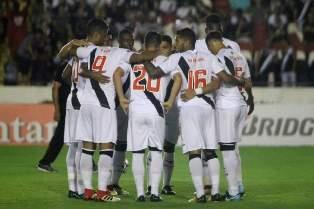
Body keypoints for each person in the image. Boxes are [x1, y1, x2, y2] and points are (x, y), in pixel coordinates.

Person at [60, 18, 158, 202]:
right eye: (106, 33)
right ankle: (103, 192)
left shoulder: (86, 50)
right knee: (106, 148)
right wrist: (159, 51)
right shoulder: (119, 52)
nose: (108, 36)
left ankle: (87, 190)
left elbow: (65, 57)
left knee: (87, 149)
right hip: (104, 105)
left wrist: (74, 44)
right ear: (103, 35)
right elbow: (140, 57)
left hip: (85, 105)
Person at [185, 31, 253, 201]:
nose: (210, 50)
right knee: (234, 148)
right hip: (241, 104)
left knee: (227, 150)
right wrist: (251, 99)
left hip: (227, 105)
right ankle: (238, 185)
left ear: (212, 44)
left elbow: (224, 80)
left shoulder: (219, 57)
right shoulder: (240, 55)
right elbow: (248, 82)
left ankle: (233, 191)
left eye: (209, 47)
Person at [114, 32, 182, 202]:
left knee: (137, 153)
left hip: (135, 109)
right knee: (156, 152)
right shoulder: (166, 61)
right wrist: (170, 100)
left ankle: (140, 193)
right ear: (159, 45)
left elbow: (116, 74)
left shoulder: (133, 59)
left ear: (144, 44)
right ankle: (155, 193)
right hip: (156, 111)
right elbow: (179, 79)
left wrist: (122, 97)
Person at [146, 35, 178, 195]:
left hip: (173, 110)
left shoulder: (175, 64)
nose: (162, 51)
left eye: (166, 47)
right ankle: (151, 185)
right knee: (154, 148)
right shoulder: (153, 64)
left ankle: (166, 184)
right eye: (161, 47)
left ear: (171, 48)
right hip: (156, 109)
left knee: (169, 148)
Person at [107, 29, 135, 196]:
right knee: (109, 144)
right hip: (115, 104)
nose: (129, 43)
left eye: (131, 40)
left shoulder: (134, 56)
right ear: (119, 41)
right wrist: (120, 97)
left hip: (128, 107)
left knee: (122, 144)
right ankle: (106, 184)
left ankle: (115, 183)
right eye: (126, 40)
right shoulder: (116, 55)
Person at [37, 62, 70, 172]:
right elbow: (55, 87)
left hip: (75, 107)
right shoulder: (65, 66)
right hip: (66, 107)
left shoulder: (81, 65)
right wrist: (57, 110)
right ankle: (45, 162)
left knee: (78, 136)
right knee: (60, 136)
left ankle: (90, 164)